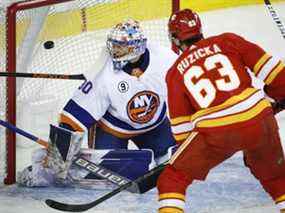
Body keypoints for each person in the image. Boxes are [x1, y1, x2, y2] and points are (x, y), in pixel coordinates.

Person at [18, 19, 177, 192]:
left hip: (155, 125)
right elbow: (73, 118)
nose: (114, 50)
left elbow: (188, 90)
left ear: (135, 47)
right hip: (113, 129)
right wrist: (57, 155)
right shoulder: (103, 73)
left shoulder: (165, 59)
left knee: (174, 163)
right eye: (113, 44)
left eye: (120, 46)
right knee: (109, 178)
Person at [157, 9, 285, 213]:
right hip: (260, 120)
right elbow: (279, 78)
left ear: (174, 38)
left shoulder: (174, 73)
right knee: (277, 179)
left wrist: (190, 158)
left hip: (215, 133)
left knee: (171, 179)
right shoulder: (228, 41)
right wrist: (275, 99)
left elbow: (182, 132)